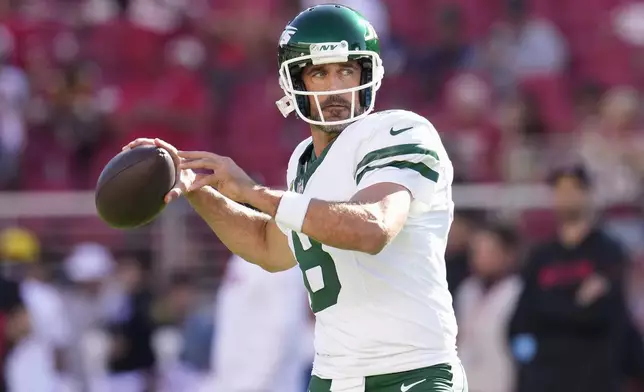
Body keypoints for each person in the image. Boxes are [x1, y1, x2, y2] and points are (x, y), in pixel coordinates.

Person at [124, 4, 466, 392]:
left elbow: (373, 228)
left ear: (367, 73)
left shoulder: (399, 131)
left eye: (346, 70)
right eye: (319, 72)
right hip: (334, 376)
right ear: (295, 82)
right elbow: (269, 247)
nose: (336, 85)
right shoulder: (303, 162)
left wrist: (254, 193)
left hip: (411, 372)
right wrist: (198, 190)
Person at [508, 164, 636, 392]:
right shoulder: (540, 256)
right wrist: (575, 304)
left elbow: (605, 314)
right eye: (559, 190)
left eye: (573, 189)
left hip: (594, 377)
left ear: (588, 194)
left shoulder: (608, 252)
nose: (565, 197)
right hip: (545, 377)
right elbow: (523, 317)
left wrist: (552, 310)